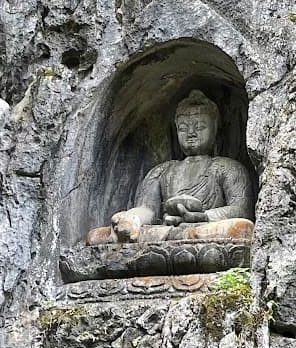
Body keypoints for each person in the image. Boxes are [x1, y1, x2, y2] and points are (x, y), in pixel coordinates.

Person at [89, 89, 254, 245]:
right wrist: (132, 218)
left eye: (200, 127)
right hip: (167, 231)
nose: (191, 133)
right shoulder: (162, 171)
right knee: (96, 236)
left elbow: (241, 210)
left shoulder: (227, 167)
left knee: (240, 228)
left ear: (215, 128)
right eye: (183, 128)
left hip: (206, 229)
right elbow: (148, 209)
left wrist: (203, 217)